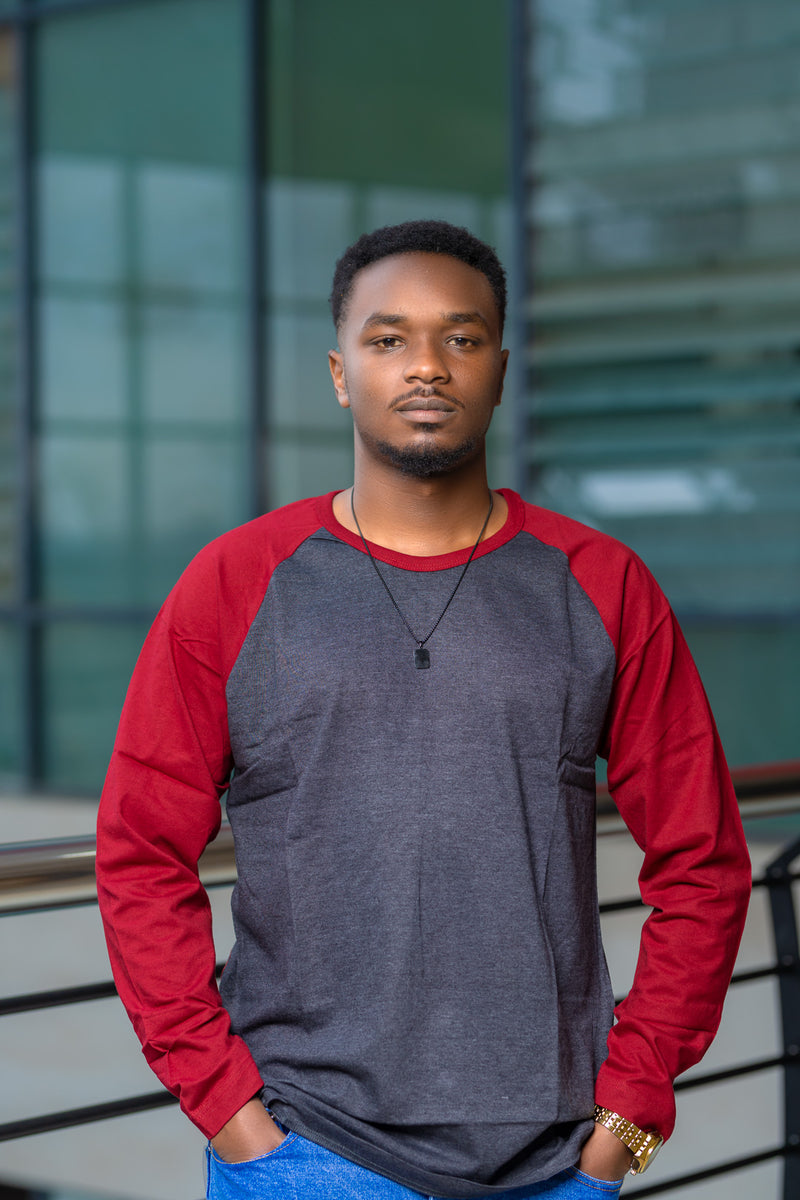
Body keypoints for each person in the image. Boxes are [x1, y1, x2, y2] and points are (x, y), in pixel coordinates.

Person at [96, 220, 751, 1200]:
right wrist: (227, 1111)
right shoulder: (233, 584)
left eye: (461, 337)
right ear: (336, 371)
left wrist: (630, 1118)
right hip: (306, 1154)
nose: (426, 368)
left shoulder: (601, 585)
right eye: (387, 338)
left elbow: (700, 860)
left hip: (557, 1156)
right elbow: (141, 852)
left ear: (497, 369)